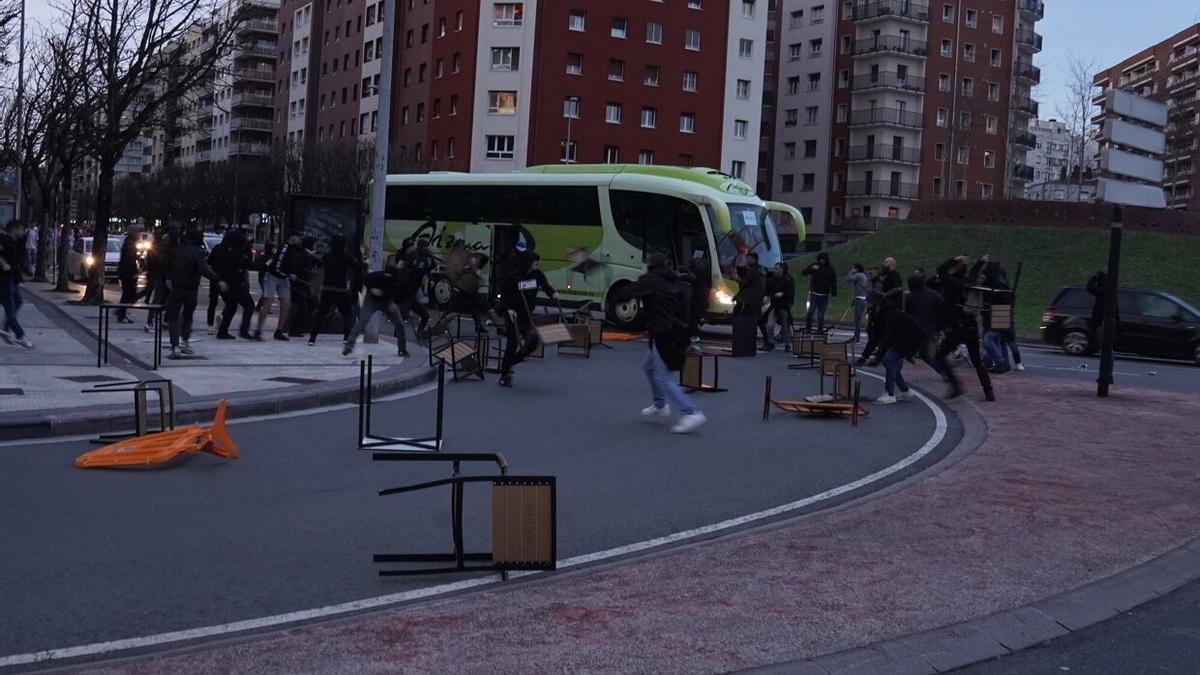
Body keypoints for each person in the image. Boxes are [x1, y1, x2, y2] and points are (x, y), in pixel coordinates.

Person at [611, 254, 706, 434]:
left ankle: (691, 412)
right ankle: (660, 405)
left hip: (665, 333)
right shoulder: (676, 281)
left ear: (650, 266)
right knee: (649, 367)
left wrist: (614, 299)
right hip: (675, 333)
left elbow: (624, 294)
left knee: (664, 377)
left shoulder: (652, 281)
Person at [932, 255, 995, 401]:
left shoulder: (952, 283)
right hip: (972, 325)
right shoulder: (969, 283)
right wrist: (980, 262)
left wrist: (954, 260)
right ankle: (988, 391)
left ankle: (956, 386)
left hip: (957, 327)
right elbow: (974, 272)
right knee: (977, 361)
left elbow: (941, 270)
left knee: (940, 356)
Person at [495, 242, 558, 387]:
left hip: (527, 314)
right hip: (513, 315)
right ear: (528, 263)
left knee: (533, 342)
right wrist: (508, 309)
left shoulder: (537, 275)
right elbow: (504, 296)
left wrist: (553, 293)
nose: (537, 265)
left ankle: (510, 362)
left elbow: (546, 286)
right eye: (535, 263)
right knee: (512, 343)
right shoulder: (513, 277)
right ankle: (505, 375)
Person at [165, 230, 225, 358]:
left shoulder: (176, 250)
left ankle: (175, 345)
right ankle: (185, 342)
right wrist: (218, 279)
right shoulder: (198, 252)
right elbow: (204, 270)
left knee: (173, 317)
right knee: (188, 316)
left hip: (176, 287)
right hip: (191, 288)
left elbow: (167, 265)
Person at [343, 266, 412, 358]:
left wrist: (395, 303)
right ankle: (350, 344)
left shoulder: (398, 281)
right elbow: (365, 279)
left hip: (388, 302)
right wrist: (372, 289)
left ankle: (402, 349)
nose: (387, 278)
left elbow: (402, 295)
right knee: (363, 320)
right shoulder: (376, 276)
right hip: (372, 300)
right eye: (385, 276)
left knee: (399, 323)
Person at [308, 235, 364, 346]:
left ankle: (312, 338)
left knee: (320, 314)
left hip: (327, 290)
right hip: (341, 290)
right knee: (347, 315)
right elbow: (358, 267)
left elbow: (317, 264)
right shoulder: (346, 257)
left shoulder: (327, 256)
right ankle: (346, 337)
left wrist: (312, 256)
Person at [873, 304, 929, 404]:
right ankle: (905, 390)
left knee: (889, 359)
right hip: (910, 339)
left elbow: (887, 336)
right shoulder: (890, 313)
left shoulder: (888, 315)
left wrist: (878, 356)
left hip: (910, 340)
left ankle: (889, 394)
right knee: (893, 363)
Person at [254, 232, 304, 341]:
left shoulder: (294, 248)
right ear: (291, 237)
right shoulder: (284, 248)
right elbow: (277, 266)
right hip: (272, 276)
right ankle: (258, 330)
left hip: (283, 278)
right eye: (298, 236)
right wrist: (289, 274)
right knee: (267, 303)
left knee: (286, 304)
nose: (299, 239)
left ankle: (279, 331)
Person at [211, 229, 258, 340]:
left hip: (220, 281)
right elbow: (248, 264)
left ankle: (222, 331)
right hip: (233, 282)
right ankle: (243, 330)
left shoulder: (218, 248)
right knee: (249, 305)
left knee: (231, 305)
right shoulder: (234, 252)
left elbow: (210, 262)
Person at [0, 220, 34, 349]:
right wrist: (3, 263)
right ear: (14, 229)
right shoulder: (4, 239)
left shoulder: (16, 242)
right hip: (4, 279)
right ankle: (20, 335)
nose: (23, 232)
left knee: (18, 302)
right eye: (20, 229)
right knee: (10, 306)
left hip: (12, 278)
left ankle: (6, 328)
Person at [903, 273, 943, 374]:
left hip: (916, 328)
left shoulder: (910, 297)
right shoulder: (934, 294)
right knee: (926, 353)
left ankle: (943, 371)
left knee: (923, 352)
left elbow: (908, 313)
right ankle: (943, 371)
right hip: (931, 327)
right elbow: (941, 310)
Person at [140, 230, 173, 333]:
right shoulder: (167, 250)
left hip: (158, 276)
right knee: (163, 300)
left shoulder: (155, 248)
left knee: (158, 300)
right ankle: (159, 321)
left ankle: (151, 322)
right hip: (163, 277)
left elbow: (149, 263)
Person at [287, 236, 321, 337]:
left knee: (310, 306)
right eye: (313, 244)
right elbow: (300, 267)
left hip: (303, 284)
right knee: (303, 307)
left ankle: (298, 328)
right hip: (299, 284)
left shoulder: (306, 254)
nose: (315, 246)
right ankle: (294, 329)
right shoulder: (303, 254)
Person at [759, 263, 794, 351]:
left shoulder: (787, 280)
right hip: (774, 306)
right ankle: (771, 342)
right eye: (774, 269)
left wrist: (783, 294)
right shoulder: (771, 280)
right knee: (770, 325)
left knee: (785, 326)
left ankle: (787, 344)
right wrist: (765, 297)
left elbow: (791, 293)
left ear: (781, 270)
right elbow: (767, 292)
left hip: (784, 306)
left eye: (776, 269)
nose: (774, 271)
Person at [801, 252, 837, 333]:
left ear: (826, 260)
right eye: (820, 259)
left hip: (824, 295)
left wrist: (834, 294)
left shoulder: (830, 269)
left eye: (823, 260)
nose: (822, 261)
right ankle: (808, 328)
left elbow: (833, 282)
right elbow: (804, 272)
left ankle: (820, 330)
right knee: (810, 312)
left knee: (821, 315)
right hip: (814, 294)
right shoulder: (815, 265)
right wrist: (812, 269)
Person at [114, 232, 141, 323]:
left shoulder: (128, 243)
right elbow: (130, 261)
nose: (139, 235)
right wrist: (134, 273)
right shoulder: (130, 245)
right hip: (128, 274)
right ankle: (121, 313)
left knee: (127, 294)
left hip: (125, 273)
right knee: (129, 294)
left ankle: (121, 312)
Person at [730, 251, 765, 318]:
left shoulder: (752, 270)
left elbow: (743, 283)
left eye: (748, 258)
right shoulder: (760, 269)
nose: (746, 260)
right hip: (756, 299)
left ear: (754, 259)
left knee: (744, 316)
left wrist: (736, 278)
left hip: (750, 299)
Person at [846, 263, 870, 343]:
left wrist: (851, 271)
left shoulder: (858, 275)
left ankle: (856, 337)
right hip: (862, 298)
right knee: (858, 319)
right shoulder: (864, 276)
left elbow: (848, 279)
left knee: (857, 320)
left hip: (859, 300)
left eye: (854, 268)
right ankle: (856, 336)